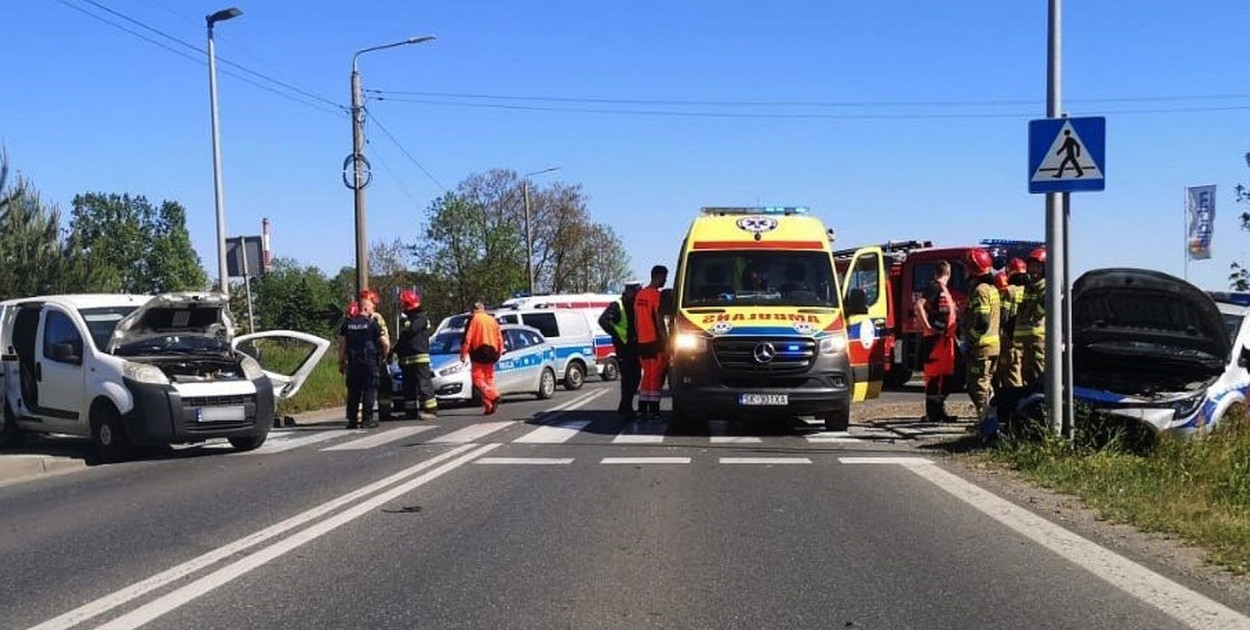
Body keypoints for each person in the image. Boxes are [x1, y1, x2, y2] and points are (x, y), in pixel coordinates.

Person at [960, 248, 1002, 422]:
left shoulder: (981, 291)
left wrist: (969, 339)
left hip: (981, 348)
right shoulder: (992, 288)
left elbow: (982, 322)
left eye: (966, 267)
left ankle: (986, 422)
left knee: (977, 386)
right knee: (986, 385)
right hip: (992, 347)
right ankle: (988, 419)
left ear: (973, 269)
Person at [339, 291, 390, 429]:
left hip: (353, 363)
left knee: (353, 392)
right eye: (373, 307)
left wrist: (341, 362)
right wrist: (385, 356)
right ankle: (367, 420)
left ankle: (352, 421)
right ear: (366, 308)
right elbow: (385, 343)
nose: (373, 310)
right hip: (369, 363)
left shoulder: (347, 324)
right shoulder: (372, 324)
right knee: (369, 390)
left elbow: (342, 346)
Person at [915, 260, 957, 422]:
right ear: (949, 273)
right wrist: (927, 326)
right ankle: (933, 413)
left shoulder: (944, 289)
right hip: (936, 340)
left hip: (946, 339)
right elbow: (919, 305)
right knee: (934, 376)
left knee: (946, 376)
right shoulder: (935, 287)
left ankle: (939, 411)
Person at [599, 281, 641, 419]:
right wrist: (618, 334)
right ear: (629, 292)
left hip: (633, 345)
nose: (637, 295)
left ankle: (625, 406)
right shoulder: (617, 305)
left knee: (635, 377)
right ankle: (626, 408)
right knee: (628, 378)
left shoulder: (634, 303)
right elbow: (603, 321)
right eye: (636, 292)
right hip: (623, 346)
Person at [395, 289, 437, 421]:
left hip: (419, 357)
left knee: (423, 384)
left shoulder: (421, 316)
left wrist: (406, 321)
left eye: (403, 304)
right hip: (406, 359)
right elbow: (403, 338)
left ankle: (430, 410)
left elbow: (412, 330)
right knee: (408, 387)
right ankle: (410, 411)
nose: (402, 307)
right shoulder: (408, 318)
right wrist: (395, 349)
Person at [634, 265, 669, 420]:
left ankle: (642, 408)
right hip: (655, 341)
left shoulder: (640, 294)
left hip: (642, 342)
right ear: (658, 276)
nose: (665, 280)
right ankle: (654, 410)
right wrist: (667, 341)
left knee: (647, 376)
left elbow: (636, 320)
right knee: (656, 376)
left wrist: (640, 334)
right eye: (665, 277)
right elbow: (658, 318)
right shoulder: (655, 295)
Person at [460, 301, 504, 415]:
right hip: (492, 353)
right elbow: (499, 337)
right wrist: (500, 351)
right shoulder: (492, 319)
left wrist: (463, 354)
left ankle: (494, 395)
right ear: (483, 308)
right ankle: (489, 406)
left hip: (478, 353)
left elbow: (467, 339)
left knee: (477, 380)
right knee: (488, 380)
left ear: (473, 309)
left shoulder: (473, 319)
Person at [357, 289, 393, 421]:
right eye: (373, 303)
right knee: (381, 385)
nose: (374, 306)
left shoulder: (351, 317)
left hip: (356, 358)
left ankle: (359, 414)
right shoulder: (376, 318)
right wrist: (385, 355)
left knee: (359, 386)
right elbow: (385, 339)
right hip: (374, 357)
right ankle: (384, 412)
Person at [1014, 247, 1047, 388]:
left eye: (1038, 267)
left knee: (1039, 373)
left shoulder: (1045, 286)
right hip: (1025, 340)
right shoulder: (1029, 286)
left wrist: (1034, 316)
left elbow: (1045, 305)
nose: (1034, 270)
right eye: (1032, 266)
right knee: (1026, 375)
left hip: (1037, 339)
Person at [995, 258, 1028, 390]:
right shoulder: (1029, 289)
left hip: (1010, 337)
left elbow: (1004, 315)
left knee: (1011, 371)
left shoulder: (1009, 291)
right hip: (1027, 338)